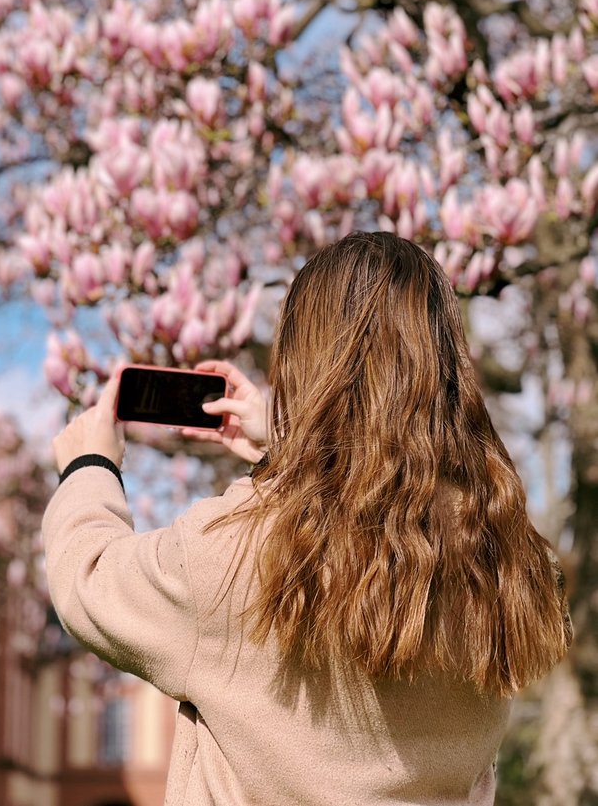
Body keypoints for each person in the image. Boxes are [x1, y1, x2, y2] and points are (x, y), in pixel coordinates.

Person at [42, 231, 572, 806]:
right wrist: (298, 449)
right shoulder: (501, 560)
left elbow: (89, 579)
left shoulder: (240, 553)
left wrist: (89, 466)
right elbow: (376, 518)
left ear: (301, 358)